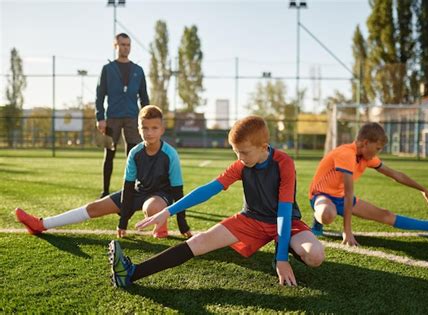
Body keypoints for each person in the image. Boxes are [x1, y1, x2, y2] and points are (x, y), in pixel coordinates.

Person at [108, 116, 325, 288]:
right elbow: (208, 190)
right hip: (251, 220)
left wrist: (281, 259)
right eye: (236, 152)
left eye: (244, 152)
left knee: (315, 256)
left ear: (263, 146)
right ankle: (132, 272)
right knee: (200, 242)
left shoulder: (284, 163)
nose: (239, 158)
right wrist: (168, 212)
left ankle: (282, 245)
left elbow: (284, 213)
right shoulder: (241, 165)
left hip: (285, 221)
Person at [15, 105, 191, 238]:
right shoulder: (135, 153)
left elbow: (177, 191)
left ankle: (161, 226)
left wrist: (182, 224)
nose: (149, 132)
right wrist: (123, 221)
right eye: (145, 128)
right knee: (93, 207)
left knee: (153, 208)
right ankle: (41, 224)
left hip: (161, 196)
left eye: (154, 128)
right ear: (138, 129)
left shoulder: (170, 154)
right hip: (139, 191)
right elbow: (128, 187)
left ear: (162, 129)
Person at [309, 122, 428, 246]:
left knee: (386, 215)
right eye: (377, 148)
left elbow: (395, 175)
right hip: (322, 195)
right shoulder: (346, 154)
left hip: (340, 197)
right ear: (365, 143)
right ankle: (318, 222)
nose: (378, 152)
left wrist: (422, 189)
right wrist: (347, 231)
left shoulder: (366, 158)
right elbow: (348, 192)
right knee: (327, 214)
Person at [96, 33, 149, 198]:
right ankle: (105, 190)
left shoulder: (138, 70)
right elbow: (100, 95)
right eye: (122, 44)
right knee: (109, 154)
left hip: (133, 118)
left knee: (133, 154)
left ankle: (131, 190)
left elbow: (144, 96)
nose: (125, 47)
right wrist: (100, 117)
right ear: (115, 46)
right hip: (112, 117)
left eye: (128, 45)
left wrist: (146, 117)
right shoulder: (107, 69)